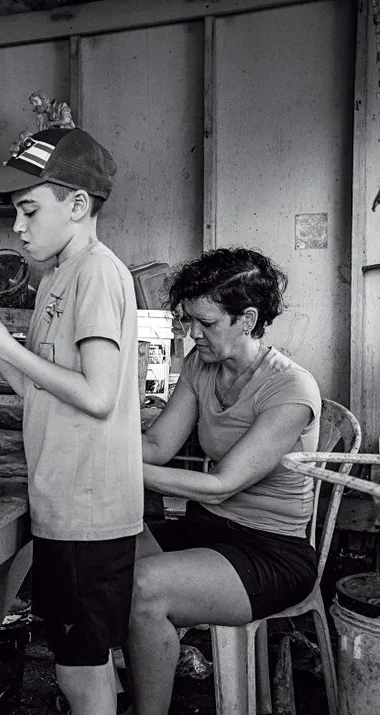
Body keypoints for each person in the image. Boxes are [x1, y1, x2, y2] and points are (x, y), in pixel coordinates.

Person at [0, 127, 142, 715]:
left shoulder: (97, 272)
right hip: (62, 502)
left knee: (81, 675)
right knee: (77, 668)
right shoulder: (56, 278)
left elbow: (96, 395)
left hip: (90, 509)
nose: (17, 226)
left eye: (28, 209)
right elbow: (33, 385)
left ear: (76, 204)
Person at [126, 248, 321, 715]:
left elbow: (223, 485)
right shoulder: (200, 366)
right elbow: (155, 448)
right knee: (105, 536)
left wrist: (114, 469)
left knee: (144, 585)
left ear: (247, 319)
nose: (193, 333)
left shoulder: (291, 388)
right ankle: (139, 661)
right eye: (188, 320)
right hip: (208, 530)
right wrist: (92, 446)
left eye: (206, 323)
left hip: (271, 551)